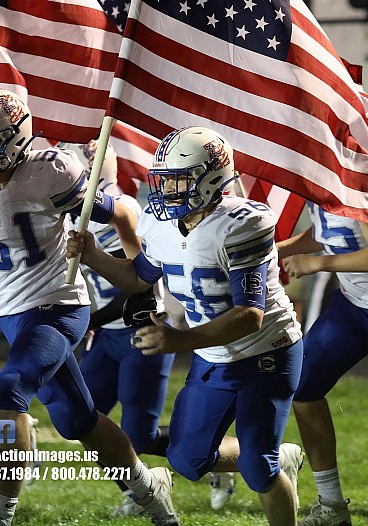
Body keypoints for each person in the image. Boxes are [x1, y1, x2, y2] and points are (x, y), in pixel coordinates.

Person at [0, 88, 180, 526]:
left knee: (6, 390)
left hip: (58, 304)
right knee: (76, 420)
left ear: (15, 139)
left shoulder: (49, 172)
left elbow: (121, 210)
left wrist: (135, 268)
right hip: (11, 312)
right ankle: (148, 487)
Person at [68, 126, 305, 526]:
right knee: (186, 460)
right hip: (214, 353)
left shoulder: (242, 223)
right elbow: (139, 277)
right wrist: (92, 256)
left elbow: (251, 314)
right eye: (165, 180)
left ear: (212, 178)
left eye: (179, 179)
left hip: (269, 352)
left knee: (258, 471)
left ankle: (264, 461)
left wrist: (180, 339)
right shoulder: (162, 224)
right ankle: (278, 454)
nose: (168, 189)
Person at [277, 146, 368, 526]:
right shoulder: (322, 176)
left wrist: (318, 264)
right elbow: (328, 231)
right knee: (303, 386)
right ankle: (332, 504)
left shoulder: (360, 177)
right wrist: (275, 251)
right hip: (355, 307)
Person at [63, 140, 176, 516]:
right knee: (82, 419)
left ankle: (214, 459)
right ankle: (139, 488)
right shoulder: (71, 211)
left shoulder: (123, 209)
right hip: (107, 334)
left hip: (137, 328)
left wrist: (86, 319)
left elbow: (139, 285)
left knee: (139, 433)